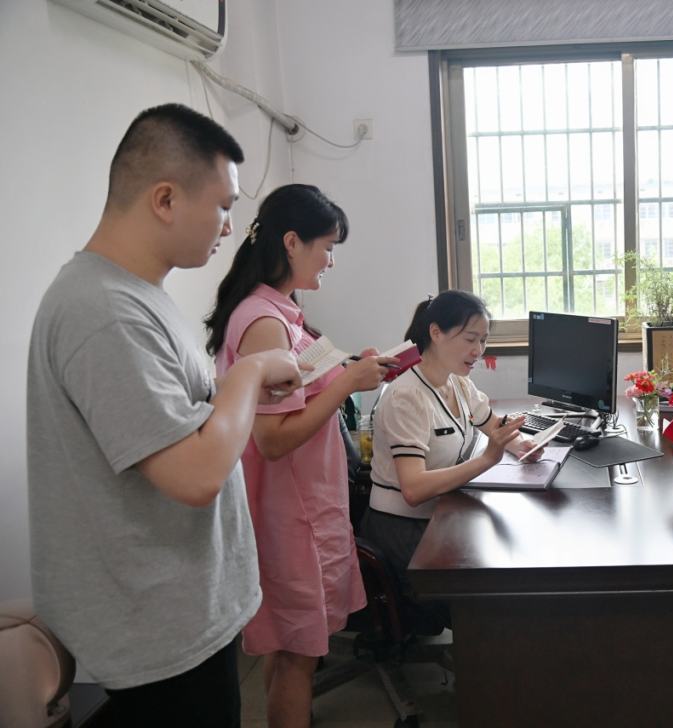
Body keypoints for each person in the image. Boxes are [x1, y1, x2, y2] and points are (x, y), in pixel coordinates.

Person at [26, 104, 305, 728]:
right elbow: (196, 475)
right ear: (165, 199)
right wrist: (250, 373)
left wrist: (234, 393)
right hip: (158, 630)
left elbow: (182, 418)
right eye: (224, 206)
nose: (231, 227)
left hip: (187, 612)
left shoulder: (137, 294)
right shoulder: (103, 311)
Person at [204, 184, 396, 728]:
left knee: (288, 647)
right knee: (297, 655)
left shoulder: (278, 312)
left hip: (302, 504)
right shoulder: (263, 321)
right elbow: (272, 438)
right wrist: (349, 384)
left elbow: (300, 391)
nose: (331, 260)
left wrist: (350, 369)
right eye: (326, 247)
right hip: (290, 513)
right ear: (292, 242)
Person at [358, 290, 540, 634]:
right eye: (470, 339)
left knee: (514, 566)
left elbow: (492, 425)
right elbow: (413, 489)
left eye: (483, 340)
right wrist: (489, 457)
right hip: (404, 531)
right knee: (490, 606)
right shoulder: (406, 396)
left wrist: (522, 444)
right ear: (436, 333)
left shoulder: (458, 383)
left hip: (441, 518)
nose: (478, 350)